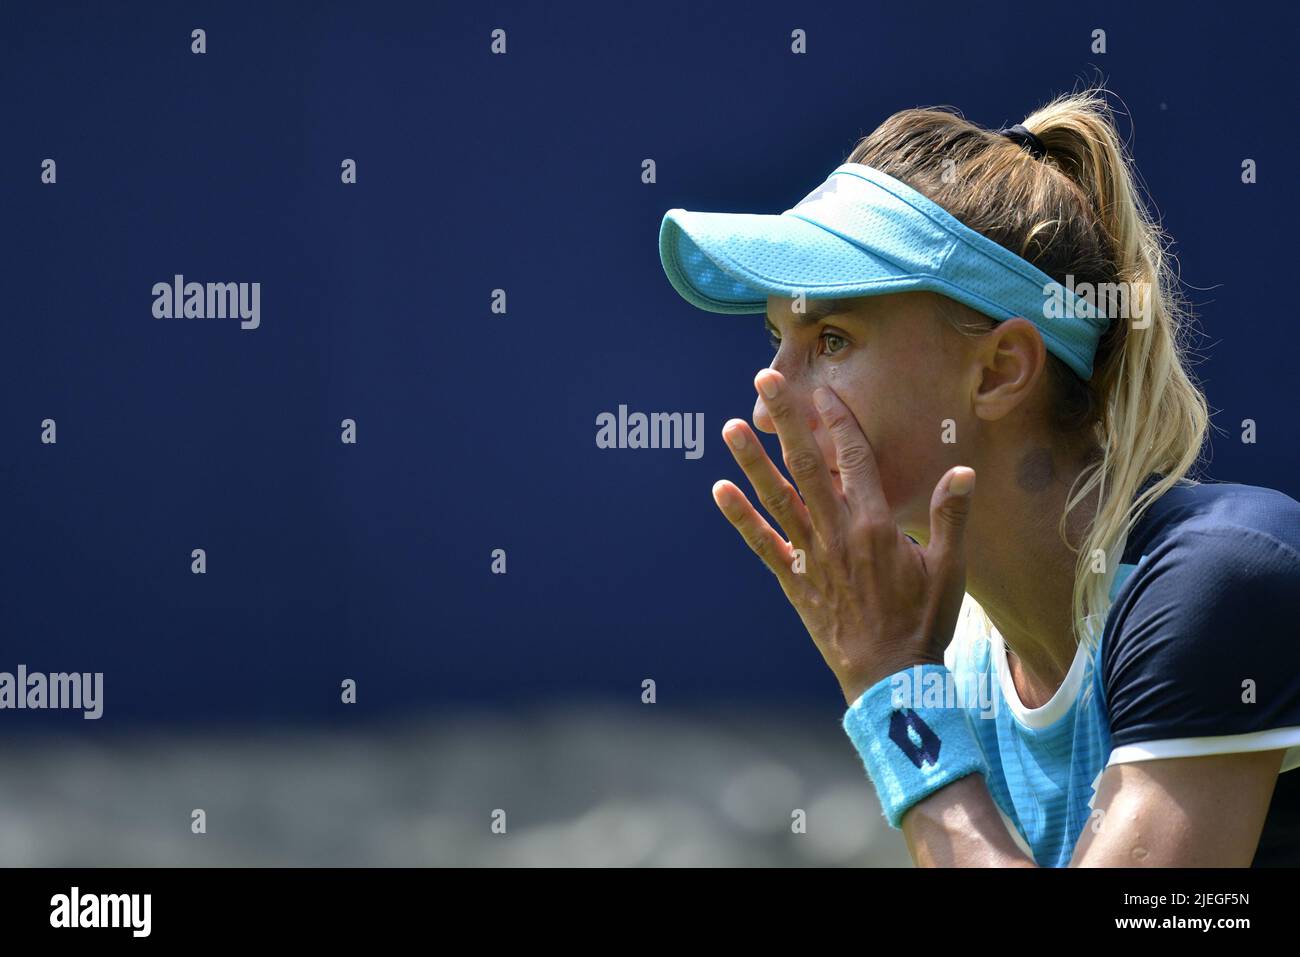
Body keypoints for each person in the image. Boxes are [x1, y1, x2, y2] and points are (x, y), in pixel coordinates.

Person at [657, 88, 1300, 867]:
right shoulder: (961, 659)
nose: (771, 401)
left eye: (831, 337)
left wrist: (891, 686)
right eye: (775, 337)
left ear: (1000, 371)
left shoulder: (1226, 579)